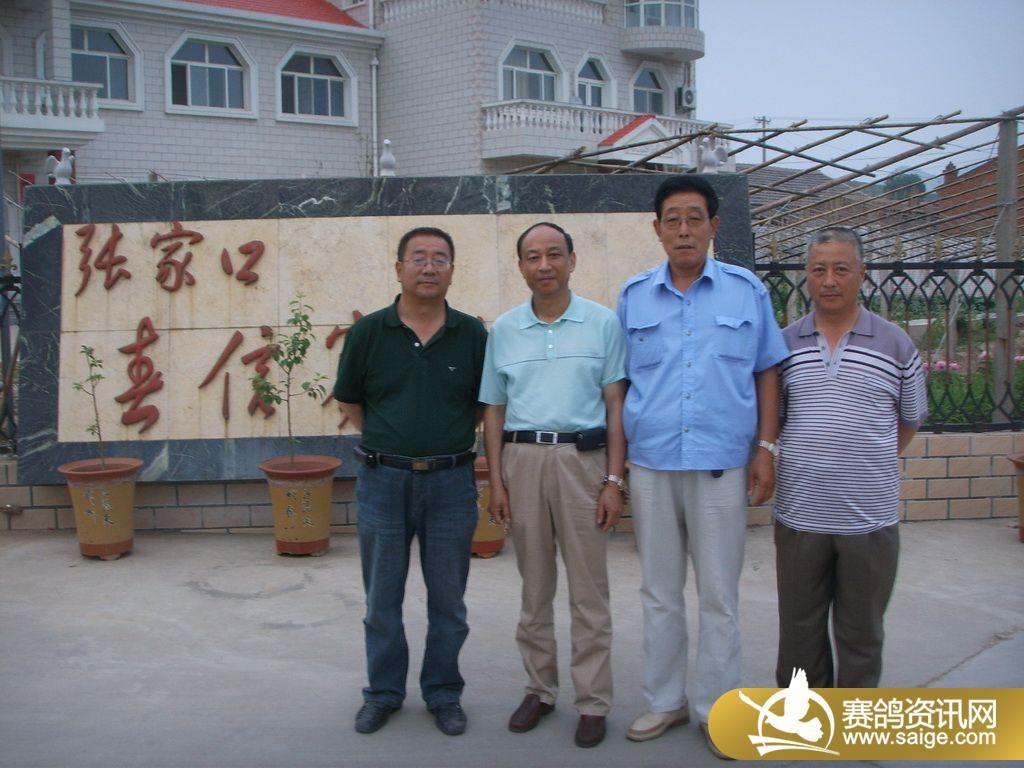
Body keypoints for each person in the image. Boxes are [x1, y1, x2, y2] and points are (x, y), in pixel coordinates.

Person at [617, 175, 789, 759]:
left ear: (714, 226)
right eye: (673, 219)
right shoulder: (634, 296)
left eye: (695, 218)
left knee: (719, 595)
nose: (684, 230)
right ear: (657, 229)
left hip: (721, 465)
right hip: (652, 464)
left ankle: (717, 710)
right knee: (659, 592)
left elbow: (767, 371)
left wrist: (766, 449)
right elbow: (620, 385)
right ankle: (664, 700)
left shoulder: (746, 291)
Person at [333, 226, 487, 737]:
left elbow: (481, 406)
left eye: (440, 258)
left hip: (451, 483)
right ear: (398, 268)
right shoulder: (368, 333)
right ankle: (383, 693)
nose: (429, 267)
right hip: (384, 481)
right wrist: (392, 443)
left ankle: (443, 693)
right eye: (418, 257)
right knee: (382, 601)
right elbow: (351, 400)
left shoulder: (472, 335)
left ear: (452, 270)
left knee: (449, 603)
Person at [480, 222, 627, 749]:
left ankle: (593, 701)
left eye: (554, 254)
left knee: (589, 591)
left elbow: (616, 405)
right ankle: (539, 690)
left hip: (582, 462)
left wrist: (614, 480)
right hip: (522, 461)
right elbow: (493, 410)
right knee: (534, 586)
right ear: (521, 266)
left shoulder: (603, 323)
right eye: (533, 256)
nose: (544, 265)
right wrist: (497, 480)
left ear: (572, 260)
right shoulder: (504, 330)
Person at [774, 226, 927, 689]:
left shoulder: (895, 344)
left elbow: (910, 419)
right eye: (818, 270)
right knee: (799, 633)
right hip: (800, 516)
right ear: (806, 276)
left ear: (862, 273)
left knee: (861, 632)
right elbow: (774, 420)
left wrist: (865, 458)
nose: (829, 280)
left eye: (841, 269)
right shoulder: (784, 345)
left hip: (869, 521)